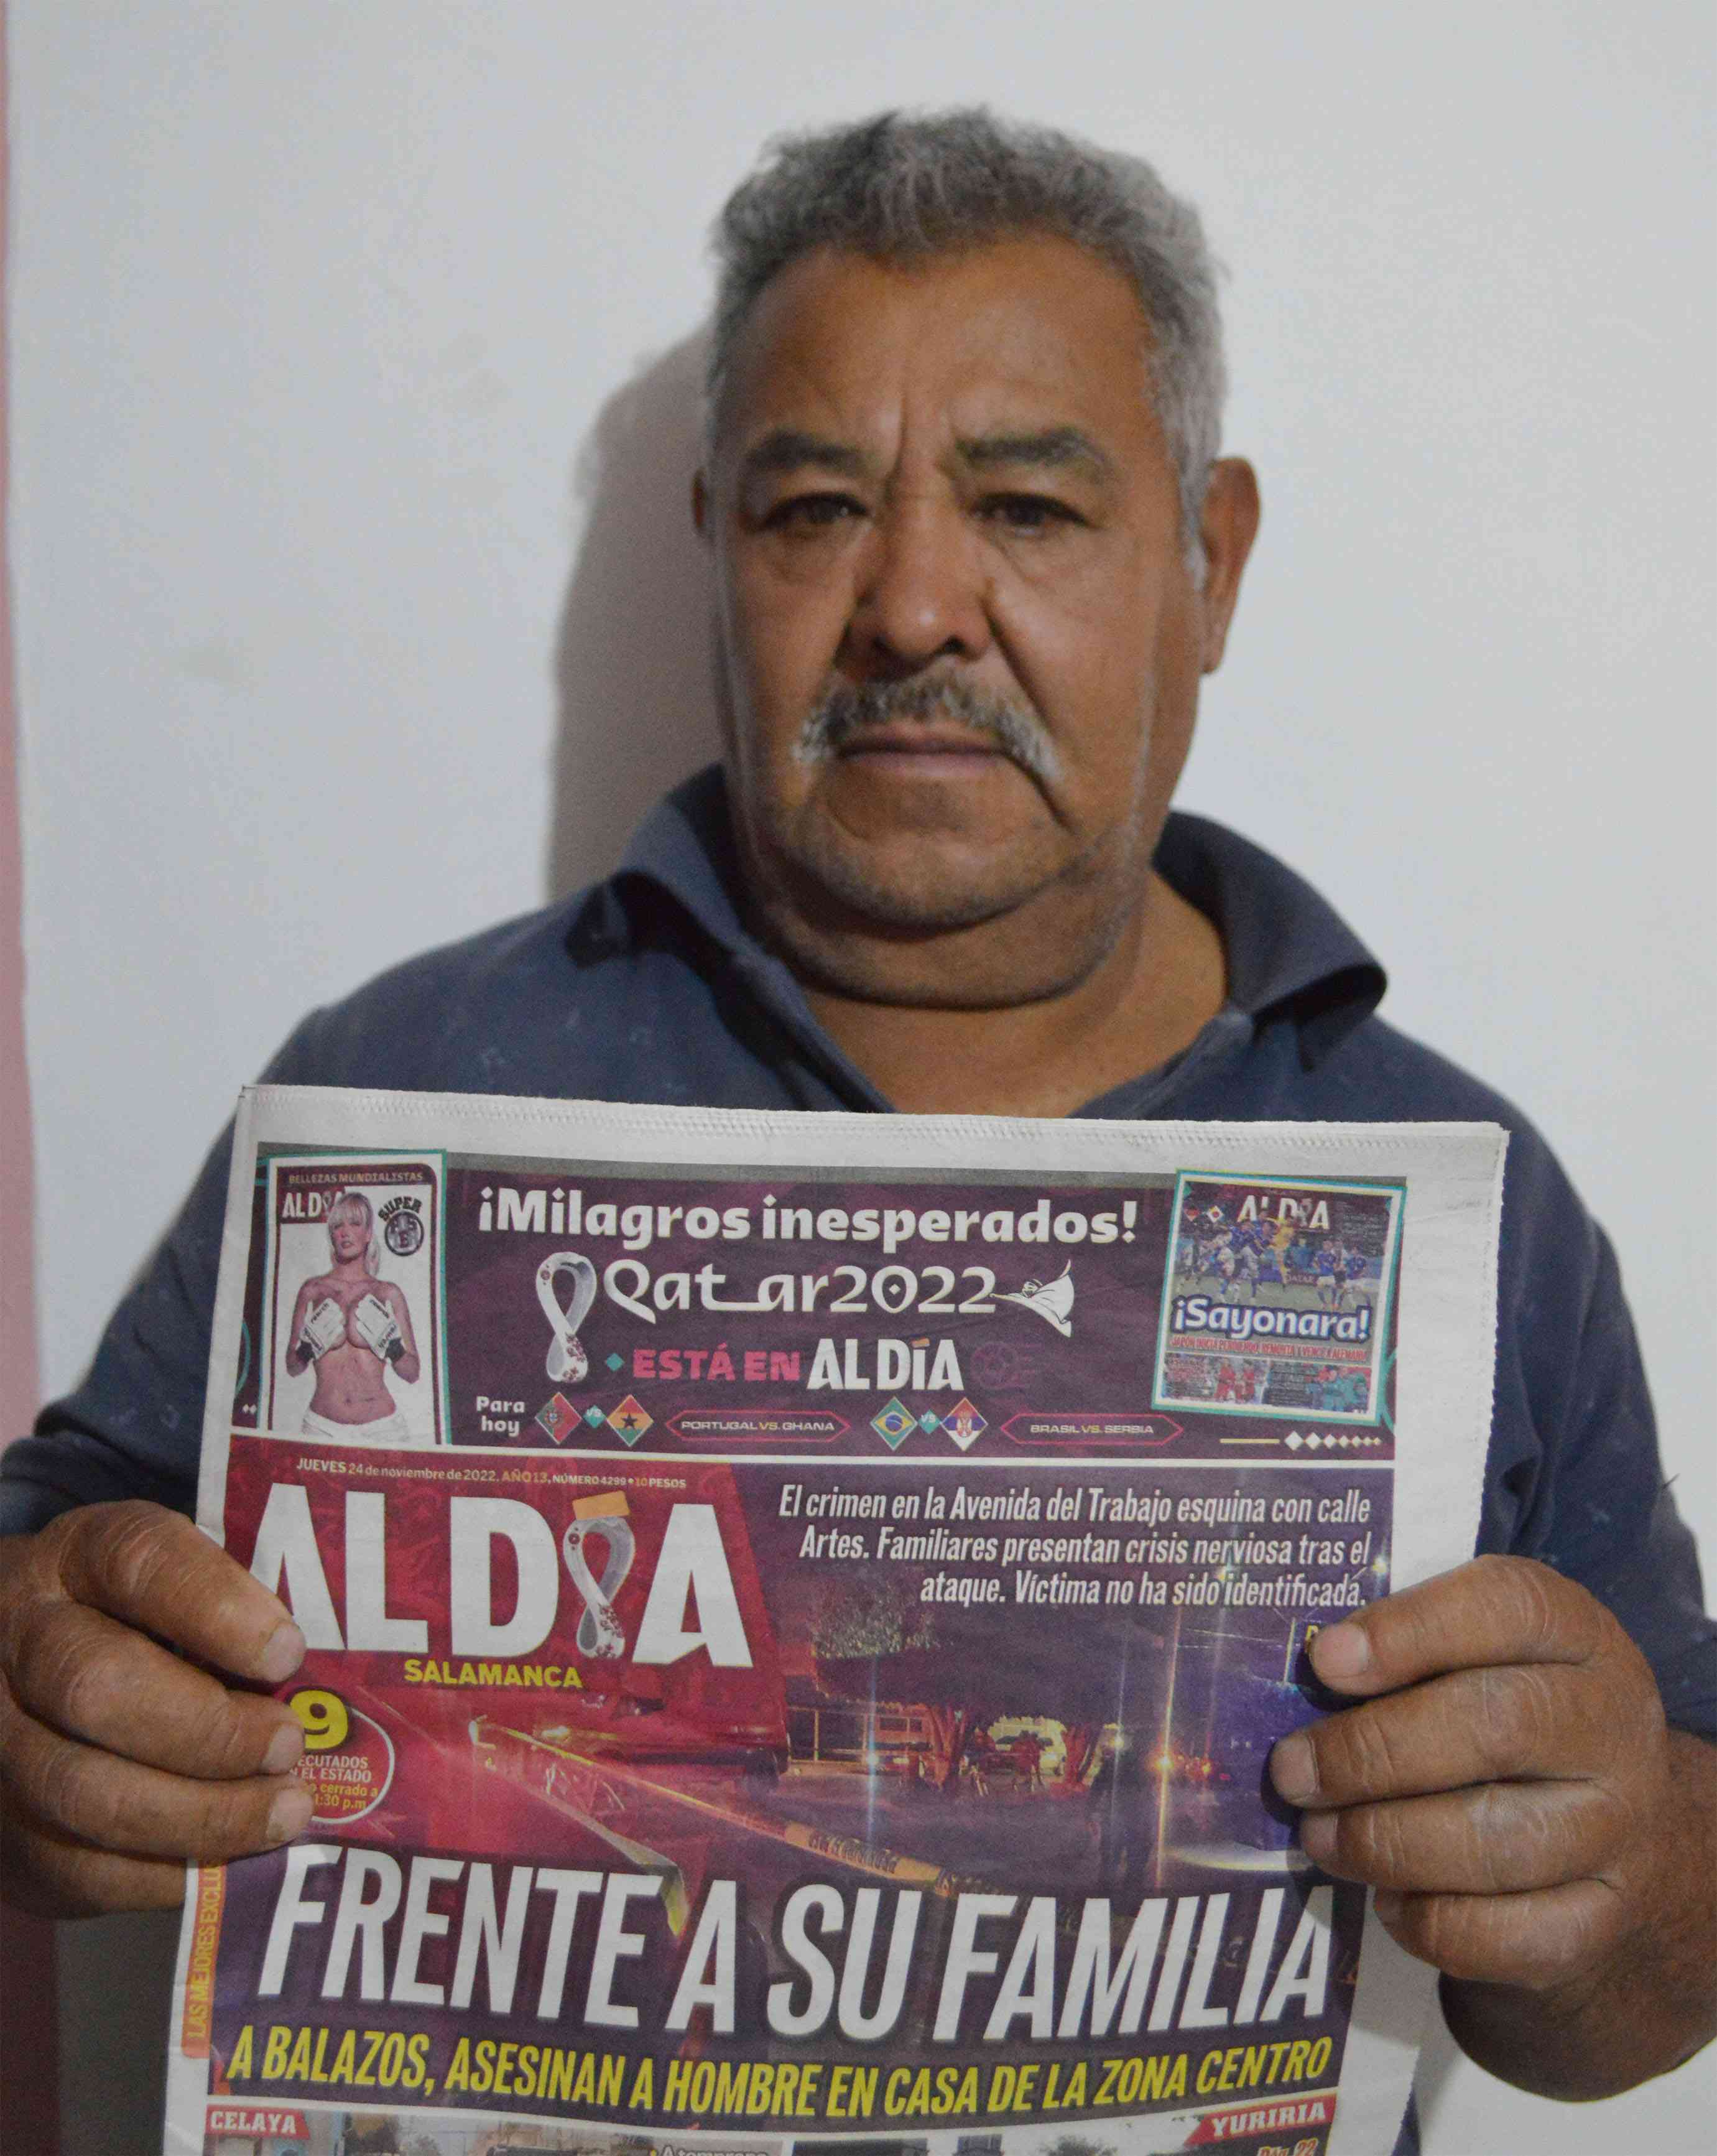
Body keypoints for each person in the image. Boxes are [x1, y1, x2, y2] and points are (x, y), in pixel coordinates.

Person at [0, 109, 1711, 2143]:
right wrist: (45, 1704)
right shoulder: (406, 1088)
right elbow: (56, 1589)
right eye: (815, 507)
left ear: (1212, 558)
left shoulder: (1455, 1197)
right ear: (718, 543)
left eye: (1028, 507)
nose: (910, 606)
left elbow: (1634, 1978)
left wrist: (1622, 1878)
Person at [281, 1189, 422, 1441]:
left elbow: (412, 1373)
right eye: (338, 1226)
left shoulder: (389, 1293)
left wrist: (393, 1347)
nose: (345, 1232)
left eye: (355, 1223)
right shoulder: (312, 1290)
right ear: (332, 1236)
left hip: (382, 1429)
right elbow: (292, 1368)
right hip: (322, 1427)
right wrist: (307, 1348)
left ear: (368, 1234)